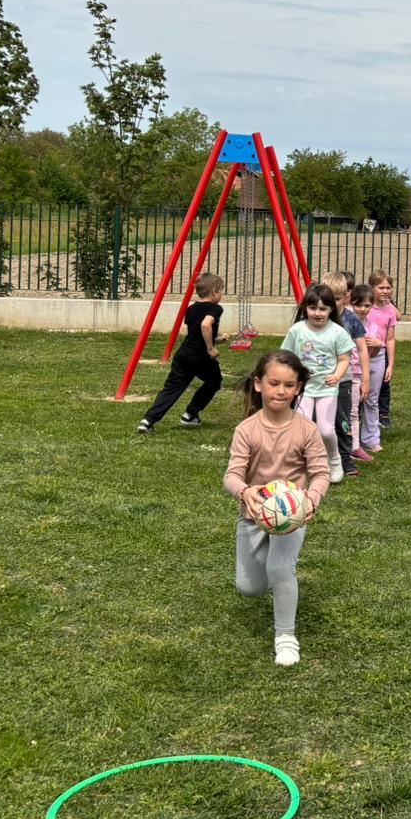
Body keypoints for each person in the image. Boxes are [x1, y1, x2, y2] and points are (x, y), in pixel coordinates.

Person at [224, 349, 329, 667]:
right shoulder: (246, 430)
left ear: (298, 389)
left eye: (289, 385)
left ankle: (285, 637)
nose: (281, 391)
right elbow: (231, 476)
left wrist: (311, 499)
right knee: (250, 587)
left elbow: (321, 473)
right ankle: (276, 578)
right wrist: (245, 492)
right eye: (274, 383)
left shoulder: (306, 429)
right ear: (259, 384)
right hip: (253, 517)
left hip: (292, 518)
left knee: (281, 569)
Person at [280, 283, 355, 484]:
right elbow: (285, 355)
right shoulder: (297, 330)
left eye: (323, 308)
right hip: (303, 390)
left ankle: (334, 460)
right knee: (303, 428)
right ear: (305, 308)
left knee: (325, 430)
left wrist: (337, 376)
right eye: (313, 308)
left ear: (331, 309)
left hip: (327, 389)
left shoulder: (338, 332)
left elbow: (344, 359)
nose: (317, 313)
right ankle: (304, 464)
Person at [138, 272, 228, 433]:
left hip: (184, 355)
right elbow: (205, 325)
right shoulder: (216, 308)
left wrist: (217, 340)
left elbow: (197, 334)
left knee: (171, 389)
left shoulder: (191, 309)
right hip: (201, 357)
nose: (221, 295)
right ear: (214, 292)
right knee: (214, 381)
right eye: (221, 291)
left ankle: (147, 421)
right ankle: (190, 414)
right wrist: (210, 348)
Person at [322, 271, 371, 471]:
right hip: (319, 380)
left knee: (342, 420)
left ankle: (345, 458)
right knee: (319, 420)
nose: (332, 304)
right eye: (328, 299)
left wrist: (366, 379)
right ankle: (318, 458)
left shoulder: (351, 320)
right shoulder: (316, 317)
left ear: (346, 297)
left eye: (336, 299)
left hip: (344, 379)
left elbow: (362, 349)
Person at [365, 270, 400, 436]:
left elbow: (391, 339)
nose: (385, 291)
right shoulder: (364, 307)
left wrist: (390, 365)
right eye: (381, 287)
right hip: (362, 354)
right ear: (371, 288)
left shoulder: (390, 310)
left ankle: (381, 415)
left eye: (388, 287)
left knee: (382, 387)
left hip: (380, 355)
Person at [345, 284, 377, 462]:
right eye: (359, 305)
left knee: (354, 411)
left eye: (367, 305)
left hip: (358, 373)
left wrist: (377, 345)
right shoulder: (345, 320)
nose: (363, 309)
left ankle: (355, 446)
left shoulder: (371, 326)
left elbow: (370, 354)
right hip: (343, 372)